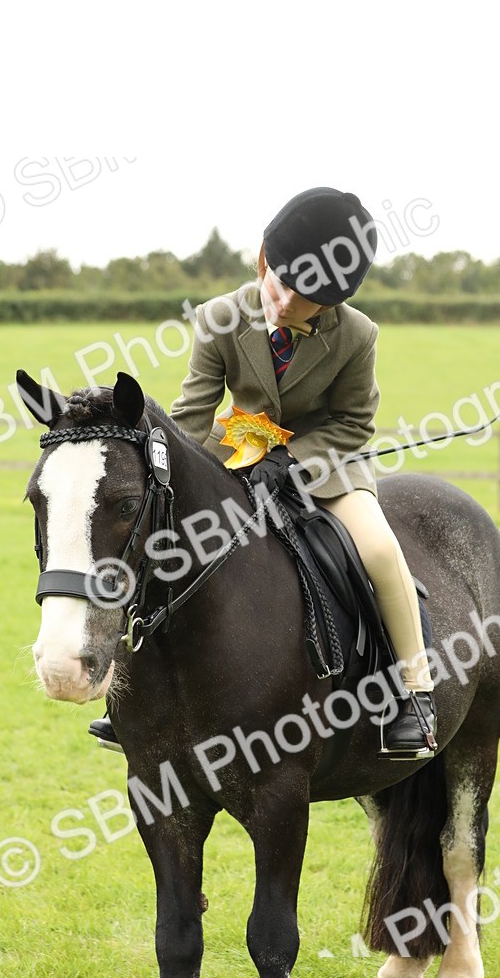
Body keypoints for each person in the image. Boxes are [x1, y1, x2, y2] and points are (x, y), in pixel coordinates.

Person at [91, 187, 436, 756]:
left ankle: (412, 692)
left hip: (328, 470)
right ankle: (126, 691)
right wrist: (169, 472)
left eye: (307, 301)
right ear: (261, 262)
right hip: (234, 461)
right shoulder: (220, 317)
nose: (286, 304)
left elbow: (353, 424)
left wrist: (291, 461)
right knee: (158, 545)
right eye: (281, 285)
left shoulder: (357, 336)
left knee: (378, 550)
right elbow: (192, 417)